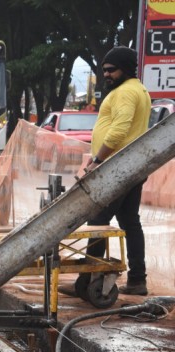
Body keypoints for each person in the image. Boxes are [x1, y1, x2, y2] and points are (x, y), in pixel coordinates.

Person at [64, 46, 152, 297]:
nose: (107, 75)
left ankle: (86, 281)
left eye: (111, 70)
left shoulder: (125, 92)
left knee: (98, 222)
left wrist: (96, 160)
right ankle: (137, 280)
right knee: (129, 222)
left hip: (117, 169)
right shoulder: (139, 90)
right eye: (104, 70)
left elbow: (119, 130)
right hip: (130, 167)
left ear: (126, 68)